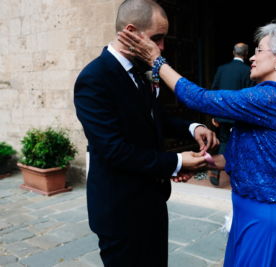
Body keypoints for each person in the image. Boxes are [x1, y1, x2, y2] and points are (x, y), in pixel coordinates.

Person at [118, 20, 276, 266]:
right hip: (265, 215)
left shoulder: (274, 96)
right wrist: (205, 164)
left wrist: (156, 60)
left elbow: (199, 98)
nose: (252, 58)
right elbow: (264, 159)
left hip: (270, 222)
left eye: (259, 50)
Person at [73, 0, 218, 266]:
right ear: (131, 31)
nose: (162, 48)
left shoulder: (141, 72)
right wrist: (176, 162)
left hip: (152, 202)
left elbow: (154, 115)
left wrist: (192, 127)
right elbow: (113, 149)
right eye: (157, 38)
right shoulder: (94, 78)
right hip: (120, 211)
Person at [209, 42, 253, 186]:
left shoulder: (222, 69)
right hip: (239, 116)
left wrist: (215, 114)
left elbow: (214, 90)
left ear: (233, 53)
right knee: (241, 142)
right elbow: (250, 96)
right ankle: (237, 174)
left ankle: (216, 169)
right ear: (246, 54)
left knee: (224, 140)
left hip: (223, 114)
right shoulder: (248, 70)